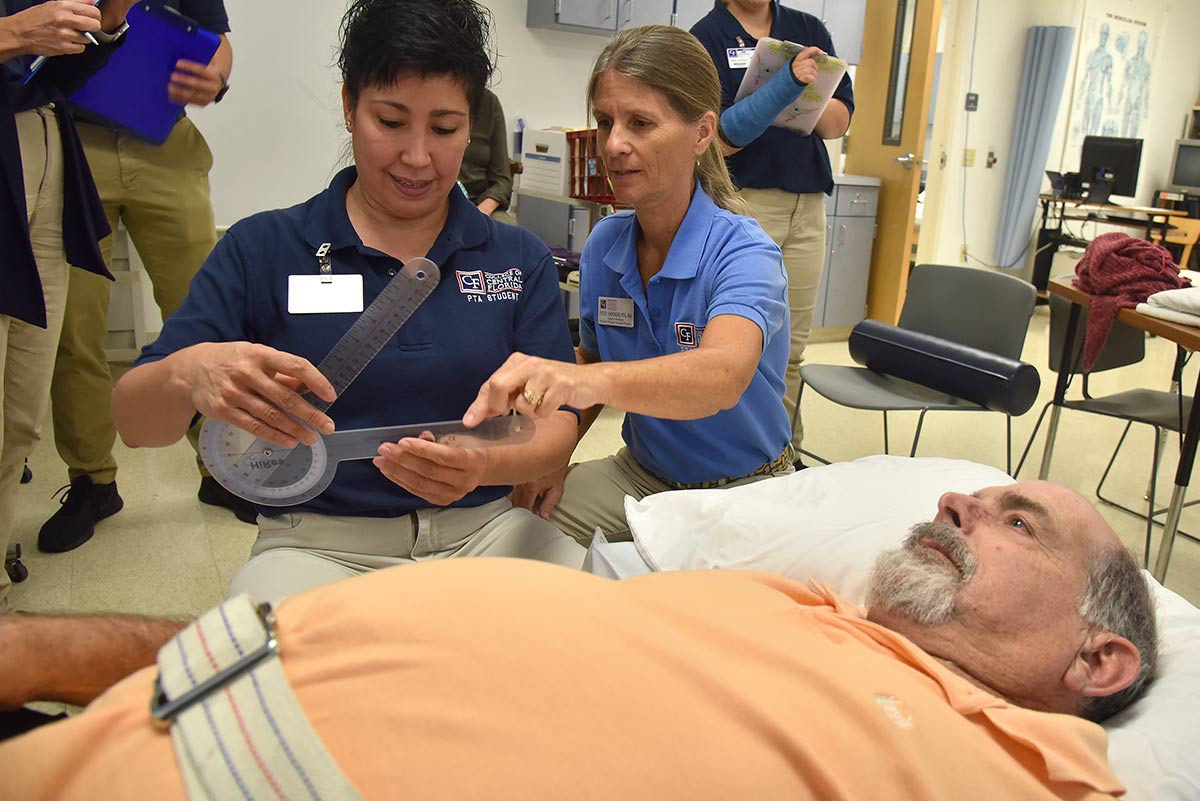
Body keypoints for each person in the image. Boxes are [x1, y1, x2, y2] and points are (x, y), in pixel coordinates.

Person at [0, 481, 1158, 800]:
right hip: (182, 695)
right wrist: (50, 651)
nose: (956, 506)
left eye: (1017, 523)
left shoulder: (1028, 767)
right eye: (969, 496)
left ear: (1099, 662)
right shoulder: (793, 607)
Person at [107, 0, 585, 603]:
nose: (417, 156)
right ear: (348, 106)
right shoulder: (263, 248)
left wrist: (486, 468)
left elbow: (556, 425)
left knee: (599, 636)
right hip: (315, 547)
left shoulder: (517, 256)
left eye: (443, 129)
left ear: (472, 125)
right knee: (266, 673)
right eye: (390, 122)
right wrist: (185, 373)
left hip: (488, 532)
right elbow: (133, 424)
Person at [464, 25, 793, 545]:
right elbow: (593, 361)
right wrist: (554, 455)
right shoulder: (606, 245)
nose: (614, 144)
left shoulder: (744, 251)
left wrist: (576, 381)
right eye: (605, 121)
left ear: (702, 134)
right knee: (510, 539)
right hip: (640, 477)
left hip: (744, 492)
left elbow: (722, 375)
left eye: (641, 123)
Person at [36, 0, 242, 556]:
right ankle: (92, 482)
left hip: (167, 141)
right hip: (72, 138)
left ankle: (220, 469)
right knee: (76, 329)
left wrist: (215, 76)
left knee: (203, 316)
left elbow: (217, 39)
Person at [0, 0, 138, 613]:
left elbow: (52, 77)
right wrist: (9, 34)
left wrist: (108, 21)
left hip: (47, 151)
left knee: (19, 415)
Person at [690, 0, 854, 457]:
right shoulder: (709, 36)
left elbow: (839, 120)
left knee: (792, 353)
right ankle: (729, 457)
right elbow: (722, 136)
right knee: (736, 350)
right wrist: (787, 86)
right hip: (744, 202)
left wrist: (799, 97)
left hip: (807, 203)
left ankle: (783, 455)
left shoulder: (806, 28)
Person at [458, 86, 512, 216]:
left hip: (480, 203)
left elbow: (502, 180)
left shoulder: (489, 102)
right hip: (438, 205)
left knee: (506, 233)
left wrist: (481, 212)